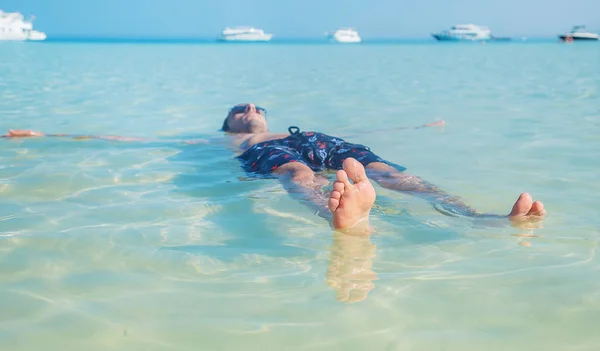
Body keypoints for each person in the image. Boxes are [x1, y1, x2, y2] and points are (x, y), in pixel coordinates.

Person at [2, 103, 545, 235]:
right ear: (229, 123)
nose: (250, 109)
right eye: (241, 109)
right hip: (278, 156)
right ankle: (343, 215)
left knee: (384, 169)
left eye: (256, 106)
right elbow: (124, 139)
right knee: (295, 174)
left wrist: (425, 128)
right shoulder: (229, 141)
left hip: (315, 139)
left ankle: (483, 218)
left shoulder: (290, 127)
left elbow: (382, 136)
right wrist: (44, 135)